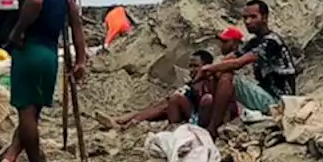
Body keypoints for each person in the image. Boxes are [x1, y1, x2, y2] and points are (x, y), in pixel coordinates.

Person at [0, 0, 88, 162]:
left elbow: (36, 1)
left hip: (29, 51)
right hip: (50, 55)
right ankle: (12, 155)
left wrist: (17, 32)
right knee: (33, 111)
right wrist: (81, 60)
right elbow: (77, 26)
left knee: (25, 111)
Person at [195, 1, 297, 137]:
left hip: (279, 103)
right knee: (219, 72)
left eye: (253, 17)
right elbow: (230, 59)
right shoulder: (255, 41)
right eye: (245, 18)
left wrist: (209, 68)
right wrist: (212, 69)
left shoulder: (271, 42)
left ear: (265, 17)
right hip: (266, 95)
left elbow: (238, 63)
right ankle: (214, 121)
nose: (248, 21)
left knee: (228, 77)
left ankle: (212, 128)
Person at [100, 50, 233, 130]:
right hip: (189, 112)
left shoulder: (212, 79)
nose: (192, 70)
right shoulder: (194, 82)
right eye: (190, 66)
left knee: (169, 102)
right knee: (163, 104)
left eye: (196, 66)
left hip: (200, 118)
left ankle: (127, 123)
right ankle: (120, 120)